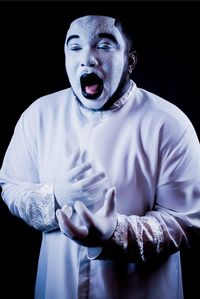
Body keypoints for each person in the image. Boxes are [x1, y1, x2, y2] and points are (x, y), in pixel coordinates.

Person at [0, 14, 200, 299]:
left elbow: (187, 220)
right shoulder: (37, 116)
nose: (87, 59)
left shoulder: (169, 123)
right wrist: (54, 197)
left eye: (104, 45)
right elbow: (11, 187)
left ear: (129, 61)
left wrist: (116, 233)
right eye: (75, 46)